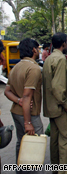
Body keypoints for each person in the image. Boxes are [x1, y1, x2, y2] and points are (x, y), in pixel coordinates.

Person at [4, 38, 43, 169]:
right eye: (38, 49)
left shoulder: (16, 67)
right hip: (29, 115)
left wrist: (18, 100)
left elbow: (7, 91)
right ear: (33, 50)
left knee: (21, 143)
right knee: (35, 146)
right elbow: (27, 96)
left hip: (16, 112)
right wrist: (28, 123)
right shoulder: (33, 68)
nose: (39, 51)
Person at [43, 33, 67, 173]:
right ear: (63, 43)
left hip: (50, 107)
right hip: (60, 107)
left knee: (55, 141)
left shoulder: (49, 58)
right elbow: (58, 87)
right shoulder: (60, 59)